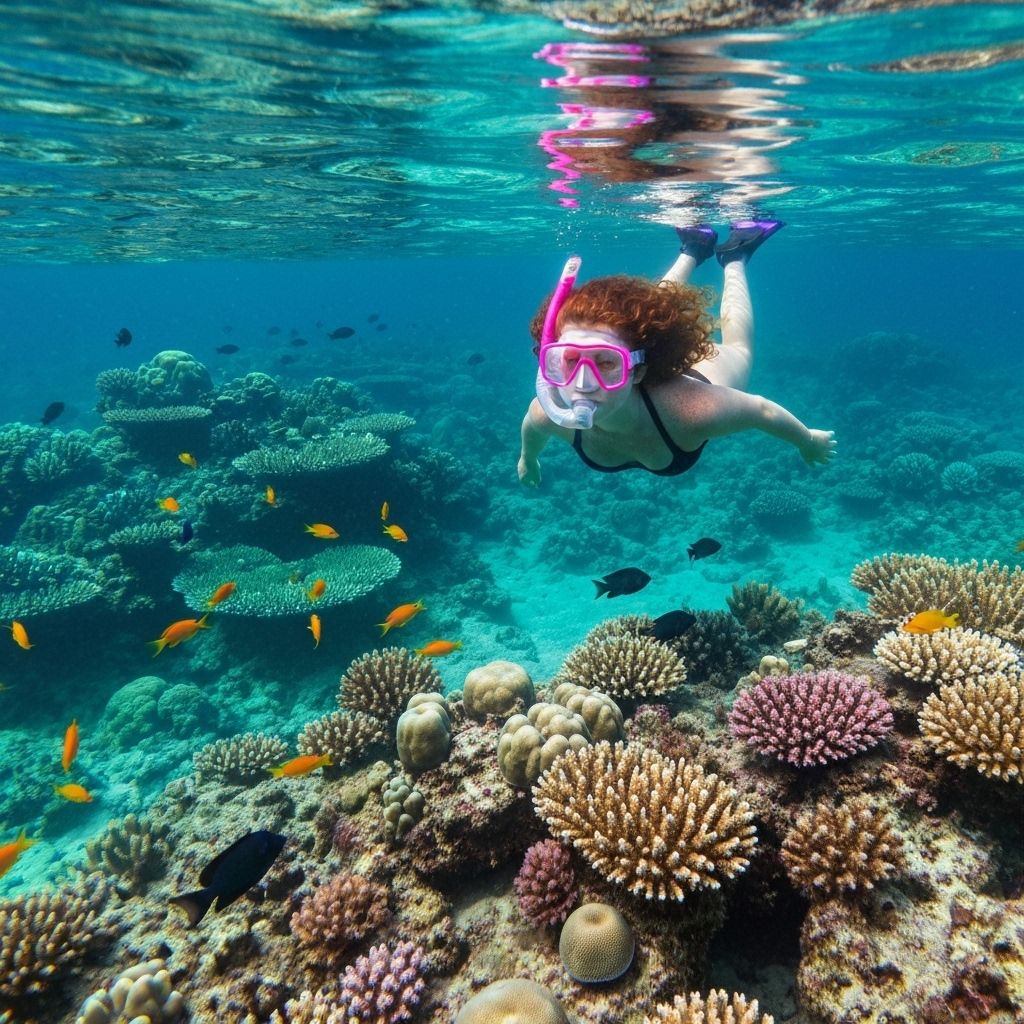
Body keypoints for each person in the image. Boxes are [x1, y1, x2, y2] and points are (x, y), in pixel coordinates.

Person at [517, 220, 836, 486]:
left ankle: (735, 256)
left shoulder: (692, 411)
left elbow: (762, 412)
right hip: (645, 368)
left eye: (606, 362)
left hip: (704, 373)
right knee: (640, 318)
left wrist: (807, 441)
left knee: (739, 348)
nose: (583, 383)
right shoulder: (549, 411)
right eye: (570, 360)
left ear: (636, 370)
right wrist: (527, 459)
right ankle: (694, 248)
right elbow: (531, 429)